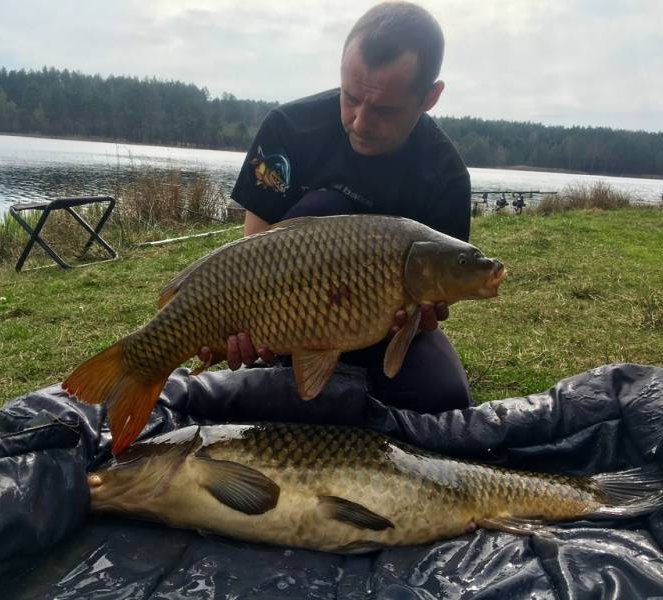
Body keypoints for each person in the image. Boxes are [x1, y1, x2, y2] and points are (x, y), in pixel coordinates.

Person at [199, 1, 473, 412]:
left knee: (447, 399)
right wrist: (250, 328)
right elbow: (252, 254)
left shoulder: (446, 176)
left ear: (429, 97)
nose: (360, 122)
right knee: (327, 204)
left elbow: (434, 301)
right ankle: (282, 371)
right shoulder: (288, 128)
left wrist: (421, 318)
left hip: (378, 330)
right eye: (350, 97)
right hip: (281, 310)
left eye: (384, 110)